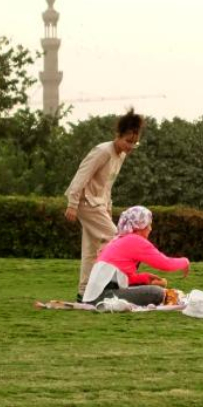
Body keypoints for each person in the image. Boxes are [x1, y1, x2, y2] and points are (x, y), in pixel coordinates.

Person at [65, 109, 144, 299]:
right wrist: (72, 203)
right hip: (86, 202)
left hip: (98, 204)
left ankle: (84, 292)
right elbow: (82, 175)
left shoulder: (121, 155)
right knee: (116, 239)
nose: (131, 146)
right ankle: (108, 285)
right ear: (118, 136)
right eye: (128, 141)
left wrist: (107, 208)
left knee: (90, 249)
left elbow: (107, 185)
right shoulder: (102, 151)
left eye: (134, 143)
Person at [82, 206, 190, 306]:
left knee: (153, 289)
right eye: (148, 225)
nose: (150, 229)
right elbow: (165, 263)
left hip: (94, 296)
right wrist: (185, 261)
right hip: (102, 297)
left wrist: (145, 278)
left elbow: (120, 279)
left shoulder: (120, 239)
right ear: (139, 226)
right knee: (157, 293)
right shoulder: (135, 240)